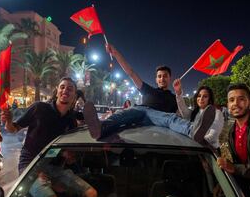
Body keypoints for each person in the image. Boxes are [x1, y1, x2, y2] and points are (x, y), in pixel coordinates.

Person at [84, 43, 215, 144]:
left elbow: (184, 114)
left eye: (165, 76)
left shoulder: (174, 97)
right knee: (121, 115)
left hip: (157, 117)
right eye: (159, 76)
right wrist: (116, 53)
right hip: (139, 110)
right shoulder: (148, 90)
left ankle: (192, 131)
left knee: (171, 119)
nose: (162, 79)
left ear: (170, 78)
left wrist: (179, 93)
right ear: (156, 79)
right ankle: (100, 128)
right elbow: (131, 73)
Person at [1, 77, 78, 174]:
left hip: (54, 167)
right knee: (43, 188)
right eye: (62, 87)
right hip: (30, 163)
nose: (65, 90)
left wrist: (69, 156)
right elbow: (13, 129)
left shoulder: (71, 120)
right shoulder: (39, 108)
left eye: (70, 89)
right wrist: (8, 121)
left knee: (89, 190)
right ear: (57, 91)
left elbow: (67, 152)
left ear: (75, 96)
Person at [29, 150, 97, 197]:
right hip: (33, 171)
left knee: (91, 194)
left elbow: (69, 161)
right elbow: (43, 158)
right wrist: (60, 152)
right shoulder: (50, 143)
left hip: (57, 170)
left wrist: (71, 156)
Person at [173, 80, 224, 149]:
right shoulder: (195, 112)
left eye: (205, 96)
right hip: (193, 147)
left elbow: (213, 135)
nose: (201, 99)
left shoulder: (216, 113)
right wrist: (178, 94)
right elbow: (183, 110)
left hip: (210, 150)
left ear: (210, 99)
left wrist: (195, 141)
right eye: (199, 96)